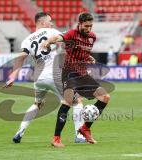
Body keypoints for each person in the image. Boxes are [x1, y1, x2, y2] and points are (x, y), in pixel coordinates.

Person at [5, 12, 86, 144]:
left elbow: (20, 58)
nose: (52, 23)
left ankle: (19, 133)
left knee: (37, 104)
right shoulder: (50, 32)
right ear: (42, 23)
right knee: (77, 101)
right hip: (54, 75)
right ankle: (79, 136)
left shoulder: (27, 40)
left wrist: (13, 76)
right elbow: (66, 37)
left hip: (39, 78)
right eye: (50, 21)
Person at [42, 12, 110, 147]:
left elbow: (83, 51)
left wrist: (88, 57)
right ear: (80, 24)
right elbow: (58, 37)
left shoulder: (92, 37)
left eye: (91, 26)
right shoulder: (72, 33)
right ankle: (56, 138)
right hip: (69, 72)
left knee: (105, 97)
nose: (89, 28)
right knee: (68, 101)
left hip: (82, 73)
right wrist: (48, 42)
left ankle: (85, 128)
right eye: (86, 26)